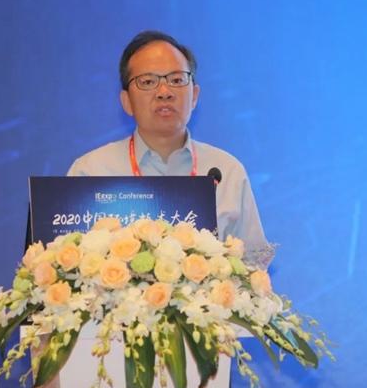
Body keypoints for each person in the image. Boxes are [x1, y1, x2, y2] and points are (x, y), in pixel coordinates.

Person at [67, 30, 270, 254]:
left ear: (194, 96)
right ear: (127, 101)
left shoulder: (227, 171)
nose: (164, 92)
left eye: (176, 80)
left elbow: (253, 264)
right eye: (148, 81)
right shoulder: (91, 172)